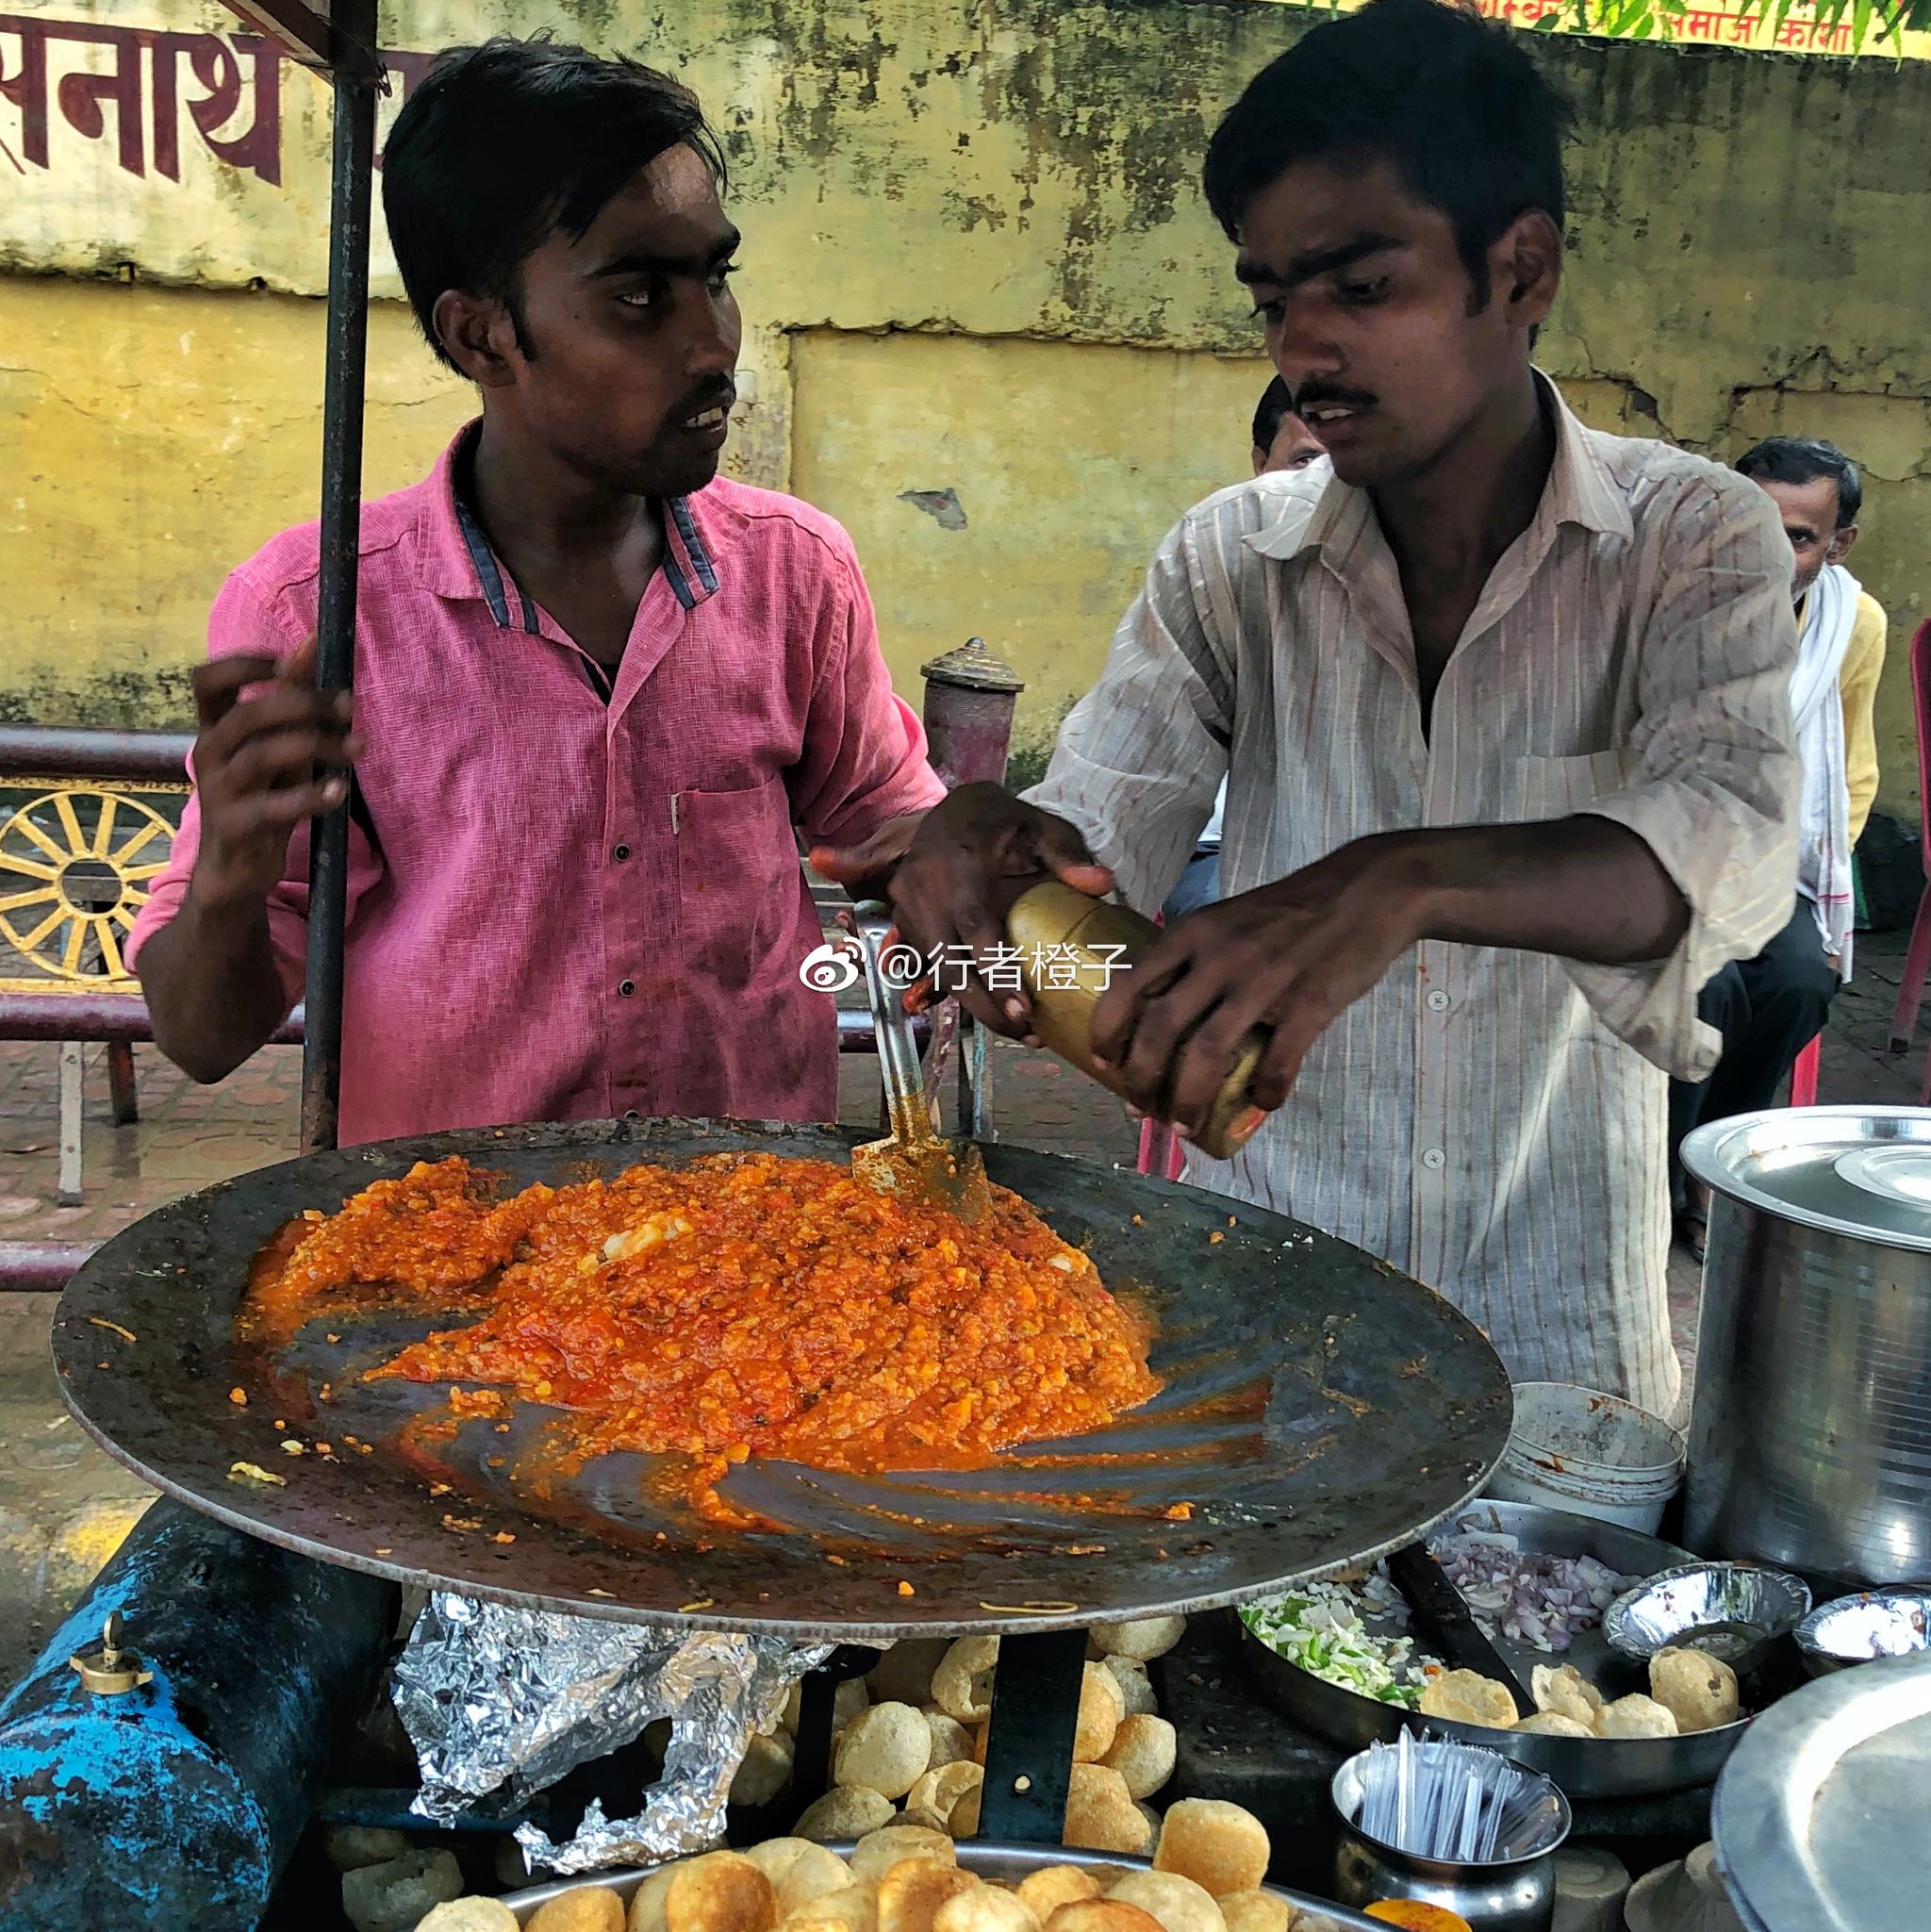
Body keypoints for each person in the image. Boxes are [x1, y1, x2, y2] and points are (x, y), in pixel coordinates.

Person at [818, 0, 1799, 1414]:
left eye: (1361, 286)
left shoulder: (1692, 538)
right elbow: (1097, 843)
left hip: (1565, 1337)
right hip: (1285, 1306)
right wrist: (993, 866)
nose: (1305, 350)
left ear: (1520, 269)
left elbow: (1737, 839)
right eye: (1275, 301)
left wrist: (1396, 880)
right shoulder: (1232, 562)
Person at [131, 39, 943, 1145]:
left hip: (749, 1245)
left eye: (716, 277)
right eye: (639, 296)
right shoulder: (313, 615)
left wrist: (996, 892)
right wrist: (230, 867)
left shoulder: (795, 574)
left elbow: (893, 832)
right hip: (447, 1265)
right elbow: (202, 1037)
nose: (713, 345)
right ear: (481, 333)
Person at [1669, 437, 1888, 1254]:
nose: (1766, 549)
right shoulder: (1666, 596)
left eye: (1797, 535)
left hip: (1766, 859)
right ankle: (1655, 1173)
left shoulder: (1850, 623)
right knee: (1708, 988)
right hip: (1651, 854)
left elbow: (1849, 772)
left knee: (1800, 980)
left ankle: (1714, 1162)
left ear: (1837, 545)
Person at [1164, 381, 1328, 921]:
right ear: (1261, 464)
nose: (1326, 484)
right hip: (1220, 855)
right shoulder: (1218, 568)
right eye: (1306, 460)